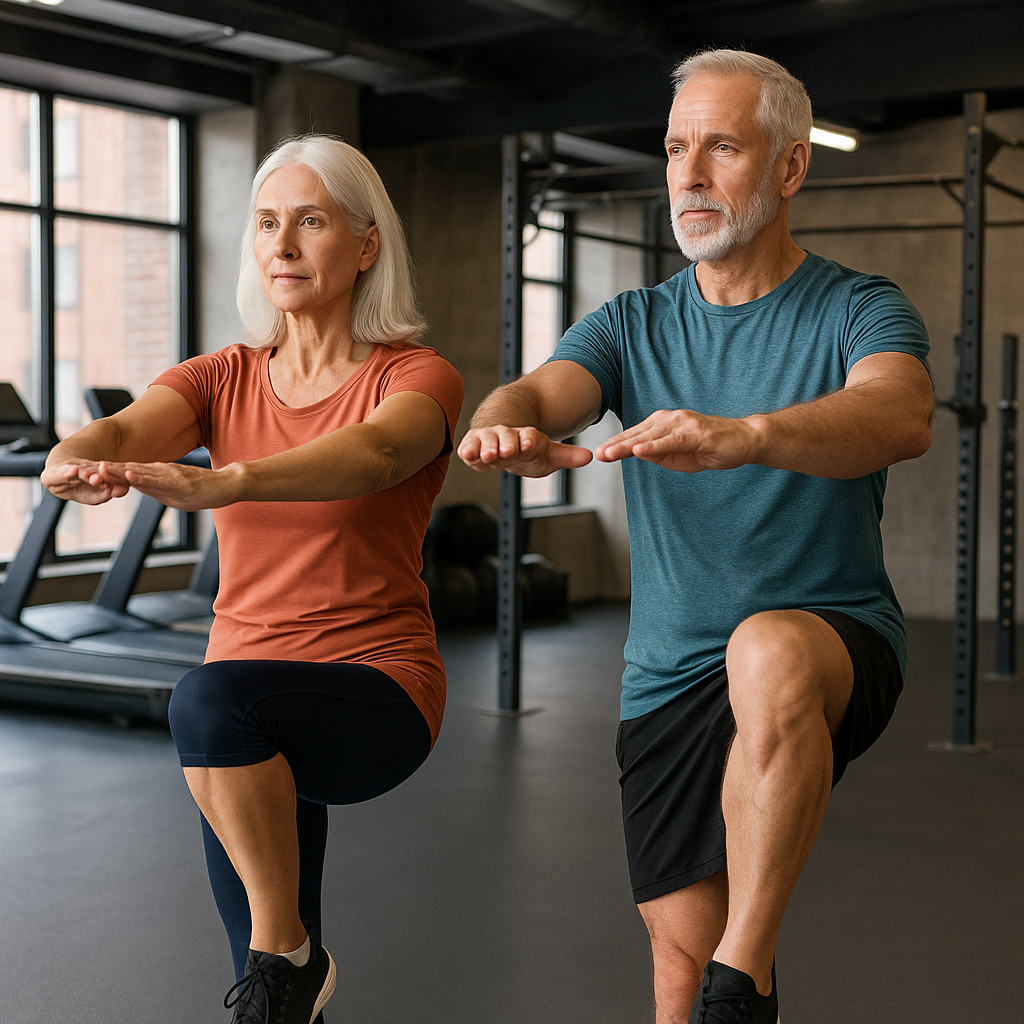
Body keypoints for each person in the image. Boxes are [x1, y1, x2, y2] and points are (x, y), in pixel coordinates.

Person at [458, 49, 932, 1024]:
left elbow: (899, 414)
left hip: (830, 638)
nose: (687, 173)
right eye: (676, 148)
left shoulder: (857, 305)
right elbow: (542, 390)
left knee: (766, 649)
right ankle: (730, 986)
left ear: (789, 168)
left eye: (721, 146)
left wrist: (747, 436)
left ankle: (742, 976)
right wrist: (510, 422)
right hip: (668, 671)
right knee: (679, 966)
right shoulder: (632, 322)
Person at [42, 134, 464, 1024]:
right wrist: (71, 455)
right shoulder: (221, 376)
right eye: (268, 223)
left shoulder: (416, 376)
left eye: (310, 222)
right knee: (265, 999)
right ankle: (291, 964)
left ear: (365, 242)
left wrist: (230, 479)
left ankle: (293, 956)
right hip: (243, 710)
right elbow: (124, 433)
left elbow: (380, 452)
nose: (282, 244)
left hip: (374, 691)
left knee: (204, 704)